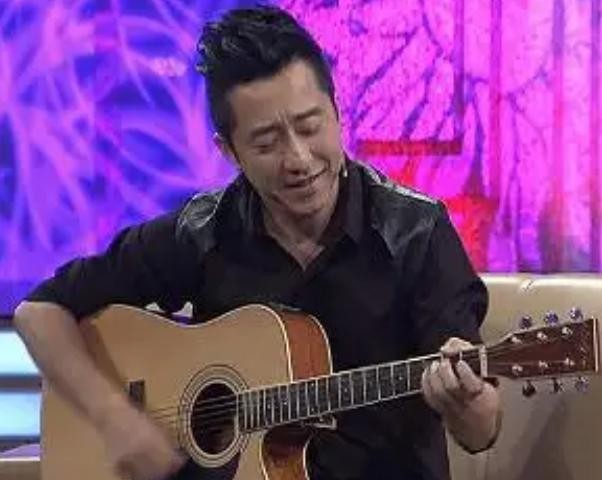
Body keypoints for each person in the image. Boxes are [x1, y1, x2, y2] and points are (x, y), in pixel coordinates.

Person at [13, 5, 501, 480]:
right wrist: (113, 417)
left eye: (310, 126)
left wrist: (464, 402)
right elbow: (39, 312)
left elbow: (480, 431)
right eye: (267, 143)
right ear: (229, 151)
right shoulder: (204, 230)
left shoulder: (416, 232)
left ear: (337, 113)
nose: (299, 159)